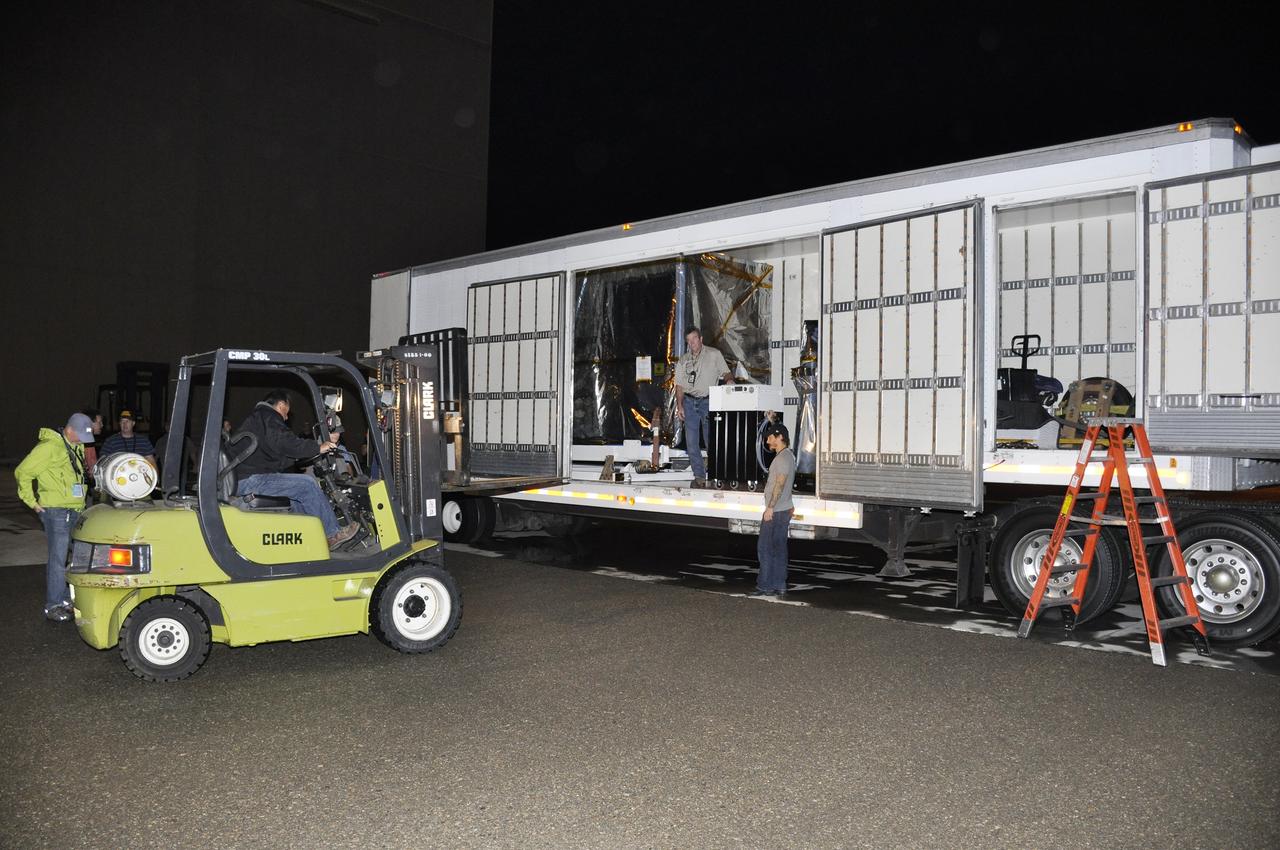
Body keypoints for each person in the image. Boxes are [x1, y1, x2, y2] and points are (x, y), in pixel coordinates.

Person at [236, 389, 357, 549]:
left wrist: (302, 455)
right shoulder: (269, 416)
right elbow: (284, 442)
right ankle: (331, 534)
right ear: (281, 405)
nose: (286, 417)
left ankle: (310, 538)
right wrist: (317, 447)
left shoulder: (257, 419)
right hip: (251, 479)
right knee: (307, 484)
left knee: (296, 493)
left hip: (246, 477)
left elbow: (276, 453)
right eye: (286, 412)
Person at [15, 413, 95, 621]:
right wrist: (31, 501)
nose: (83, 443)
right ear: (70, 430)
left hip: (73, 509)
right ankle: (54, 605)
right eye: (81, 437)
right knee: (58, 559)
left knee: (71, 557)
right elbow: (22, 472)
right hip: (57, 511)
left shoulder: (73, 445)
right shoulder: (49, 447)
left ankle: (65, 598)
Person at [673, 326, 733, 487]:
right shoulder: (683, 360)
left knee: (711, 440)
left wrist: (729, 381)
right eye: (689, 341)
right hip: (689, 401)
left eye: (694, 339)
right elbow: (679, 386)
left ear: (701, 339)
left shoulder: (714, 354)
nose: (692, 343)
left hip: (708, 400)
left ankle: (716, 474)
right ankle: (699, 475)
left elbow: (726, 372)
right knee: (691, 442)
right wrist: (680, 406)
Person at [750, 422, 796, 598]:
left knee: (765, 549)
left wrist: (770, 507)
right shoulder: (788, 456)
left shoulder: (782, 459)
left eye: (770, 437)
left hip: (775, 511)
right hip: (783, 509)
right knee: (778, 549)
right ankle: (779, 585)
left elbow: (781, 482)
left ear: (779, 437)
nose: (767, 440)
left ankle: (765, 586)